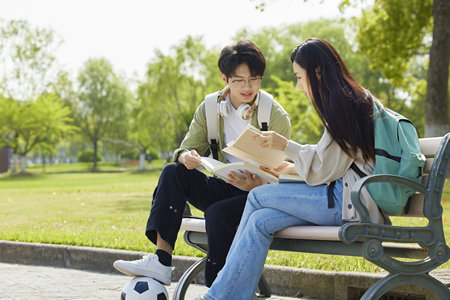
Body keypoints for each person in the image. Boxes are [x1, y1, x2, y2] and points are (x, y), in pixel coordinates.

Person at [199, 38, 392, 300]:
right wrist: (286, 168)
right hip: (341, 197)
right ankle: (230, 293)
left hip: (350, 204)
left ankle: (219, 295)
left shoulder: (344, 104)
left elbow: (324, 170)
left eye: (300, 77)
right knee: (259, 220)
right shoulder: (346, 99)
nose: (298, 85)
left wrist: (285, 146)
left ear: (318, 72)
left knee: (256, 197)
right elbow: (328, 161)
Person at [113, 40, 291, 287]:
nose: (248, 87)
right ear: (224, 78)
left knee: (218, 214)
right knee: (173, 171)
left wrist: (257, 184)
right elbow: (186, 148)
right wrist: (185, 156)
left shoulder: (275, 115)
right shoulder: (209, 107)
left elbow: (284, 174)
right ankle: (162, 261)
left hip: (256, 196)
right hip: (223, 185)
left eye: (254, 79)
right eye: (239, 80)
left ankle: (218, 288)